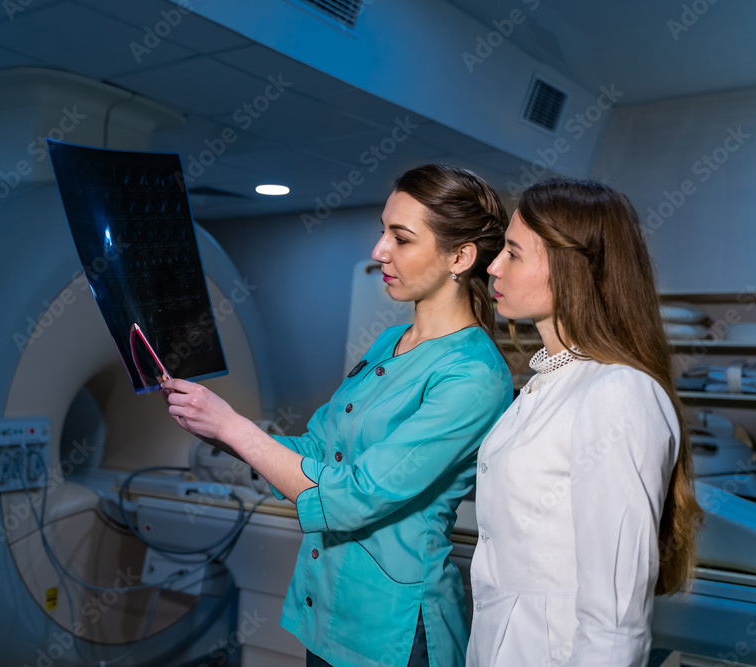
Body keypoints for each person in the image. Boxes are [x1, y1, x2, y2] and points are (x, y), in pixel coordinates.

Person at [162, 164, 513, 667]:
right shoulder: (389, 343)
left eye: (402, 238)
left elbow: (354, 497)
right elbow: (315, 450)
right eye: (382, 230)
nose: (379, 251)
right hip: (326, 607)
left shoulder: (473, 375)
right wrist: (214, 425)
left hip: (393, 629)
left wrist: (233, 427)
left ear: (460, 256)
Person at [466, 178, 702, 666]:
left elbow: (615, 622)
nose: (493, 266)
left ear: (569, 267)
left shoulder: (619, 393)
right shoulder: (545, 384)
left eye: (513, 252)